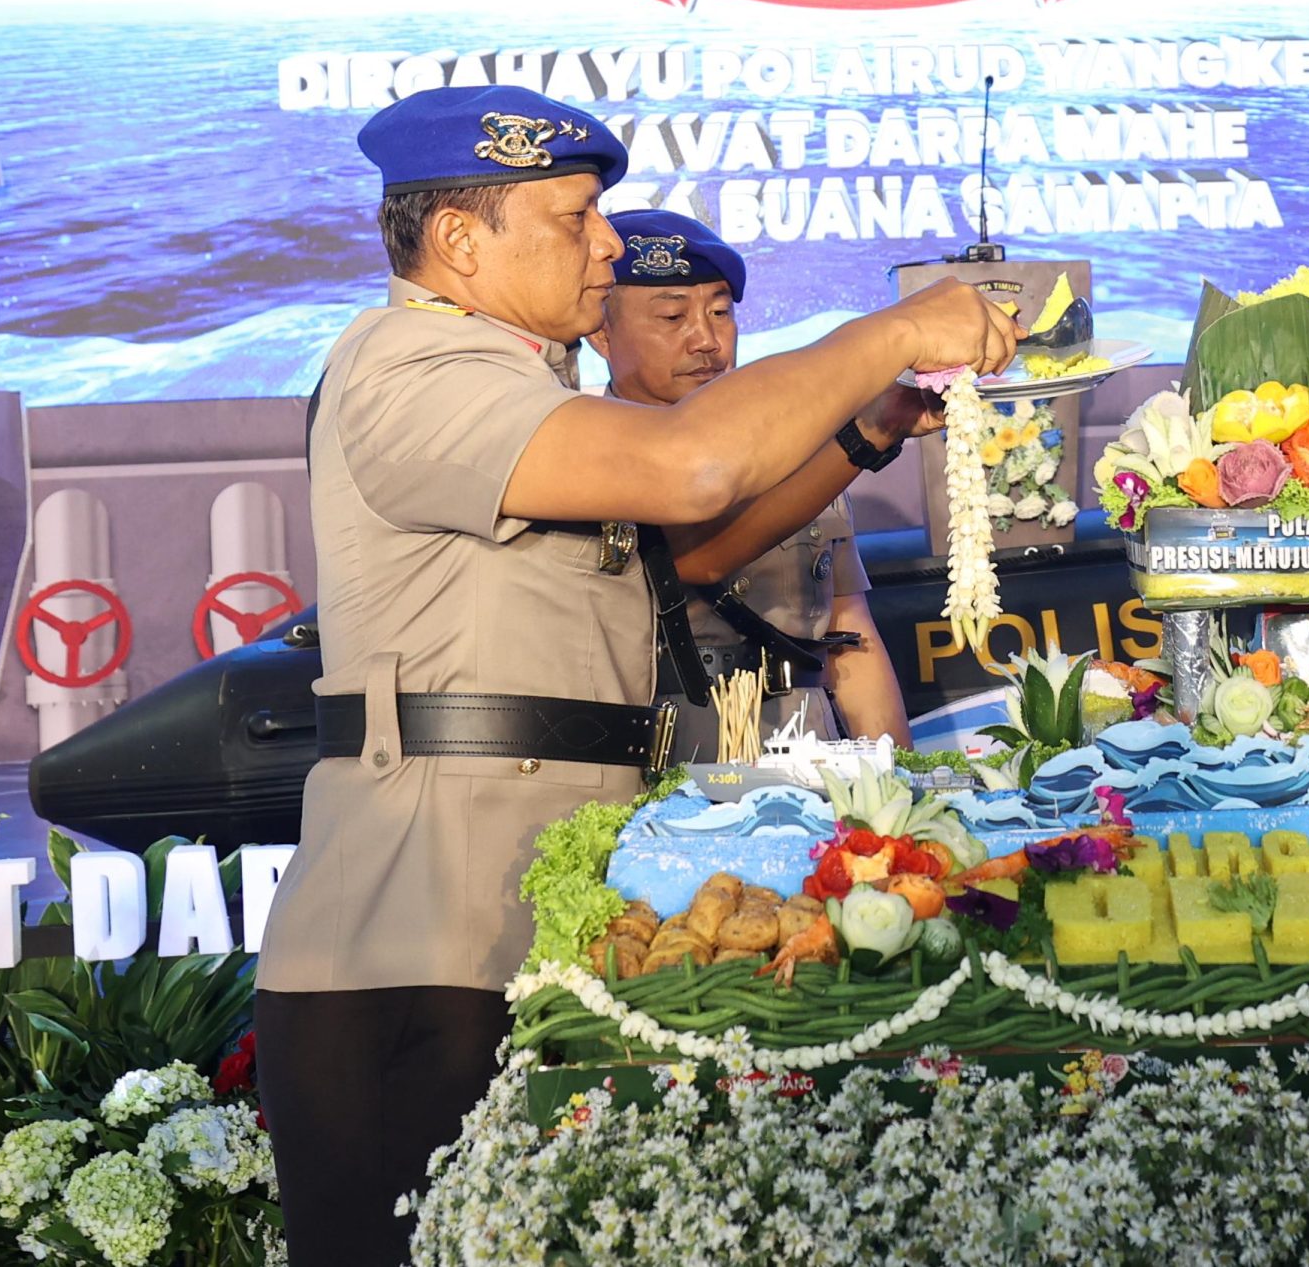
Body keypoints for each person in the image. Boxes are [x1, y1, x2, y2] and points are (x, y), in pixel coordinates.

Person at [252, 85, 1018, 1265]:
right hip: (428, 926)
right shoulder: (413, 366)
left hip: (527, 899)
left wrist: (863, 430)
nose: (607, 245)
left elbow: (693, 557)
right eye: (575, 220)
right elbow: (693, 468)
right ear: (458, 239)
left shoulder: (516, 382)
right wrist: (896, 329)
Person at [588, 208, 912, 755]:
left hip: (808, 742)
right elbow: (697, 561)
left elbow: (850, 637)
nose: (706, 340)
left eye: (720, 313)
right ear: (601, 333)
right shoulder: (583, 457)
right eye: (672, 317)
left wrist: (897, 776)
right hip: (665, 749)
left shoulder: (806, 451)